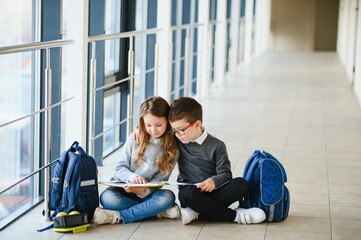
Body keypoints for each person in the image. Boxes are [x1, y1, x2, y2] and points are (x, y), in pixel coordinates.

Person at [168, 97, 266, 225]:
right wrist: (138, 131)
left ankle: (197, 212)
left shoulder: (217, 145)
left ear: (197, 124)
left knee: (241, 185)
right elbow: (155, 130)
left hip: (213, 193)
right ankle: (235, 216)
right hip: (191, 193)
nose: (177, 134)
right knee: (187, 194)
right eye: (174, 130)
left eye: (180, 130)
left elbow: (226, 174)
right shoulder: (177, 140)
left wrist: (213, 181)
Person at [93, 96, 180, 225]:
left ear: (167, 121)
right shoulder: (134, 138)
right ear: (142, 123)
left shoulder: (173, 149)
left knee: (168, 197)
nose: (153, 129)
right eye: (148, 125)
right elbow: (119, 168)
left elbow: (160, 180)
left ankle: (118, 216)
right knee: (107, 198)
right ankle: (155, 211)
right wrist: (132, 178)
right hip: (122, 189)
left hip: (147, 192)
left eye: (158, 125)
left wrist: (142, 190)